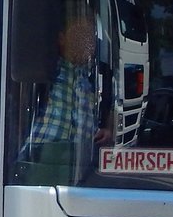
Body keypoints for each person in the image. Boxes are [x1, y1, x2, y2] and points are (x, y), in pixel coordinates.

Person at [25, 9, 110, 159]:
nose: (87, 41)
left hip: (78, 162)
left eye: (90, 35)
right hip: (40, 157)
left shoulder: (94, 78)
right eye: (80, 34)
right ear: (61, 38)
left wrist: (105, 130)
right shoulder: (47, 68)